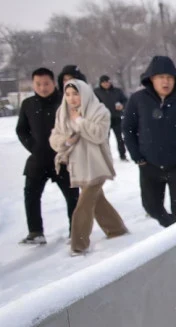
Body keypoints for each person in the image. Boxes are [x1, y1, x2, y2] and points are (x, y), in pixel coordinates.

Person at [122, 55, 176, 227]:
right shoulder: (138, 100)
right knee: (151, 207)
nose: (166, 82)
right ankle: (174, 227)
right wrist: (137, 156)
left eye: (169, 77)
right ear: (152, 78)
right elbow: (128, 129)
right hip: (149, 164)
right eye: (161, 77)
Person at [49, 79, 128, 255]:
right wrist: (66, 141)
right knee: (97, 201)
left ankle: (78, 244)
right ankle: (116, 229)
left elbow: (99, 135)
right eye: (68, 94)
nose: (71, 98)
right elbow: (55, 137)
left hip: (96, 164)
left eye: (75, 94)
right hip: (77, 165)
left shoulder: (99, 111)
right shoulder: (62, 112)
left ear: (84, 93)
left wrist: (80, 121)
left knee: (83, 205)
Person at [16, 68, 80, 244]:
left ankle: (76, 232)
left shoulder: (65, 101)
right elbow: (21, 130)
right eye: (38, 84)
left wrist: (69, 146)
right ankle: (35, 232)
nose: (42, 88)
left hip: (63, 158)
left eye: (46, 83)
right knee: (31, 195)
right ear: (33, 84)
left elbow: (78, 127)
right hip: (38, 159)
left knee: (72, 197)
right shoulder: (28, 104)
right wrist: (33, 147)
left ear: (53, 83)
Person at [94, 75, 128, 161]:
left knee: (119, 138)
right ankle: (106, 156)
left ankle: (123, 155)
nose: (106, 84)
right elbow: (94, 104)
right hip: (104, 119)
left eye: (107, 82)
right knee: (105, 139)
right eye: (104, 82)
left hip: (116, 117)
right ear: (100, 83)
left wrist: (122, 105)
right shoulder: (97, 92)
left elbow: (125, 100)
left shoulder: (117, 91)